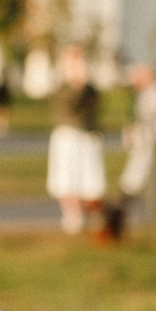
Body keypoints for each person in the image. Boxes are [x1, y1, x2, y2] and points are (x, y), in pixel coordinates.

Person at [45, 46, 108, 236]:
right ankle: (73, 217)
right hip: (68, 136)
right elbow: (71, 104)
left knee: (90, 180)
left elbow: (94, 104)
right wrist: (76, 81)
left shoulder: (91, 89)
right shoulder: (62, 89)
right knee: (66, 178)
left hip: (87, 136)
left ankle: (92, 217)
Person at [119, 62, 156, 202]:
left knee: (149, 164)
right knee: (139, 162)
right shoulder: (142, 94)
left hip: (153, 137)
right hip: (144, 137)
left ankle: (134, 190)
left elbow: (150, 116)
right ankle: (130, 189)